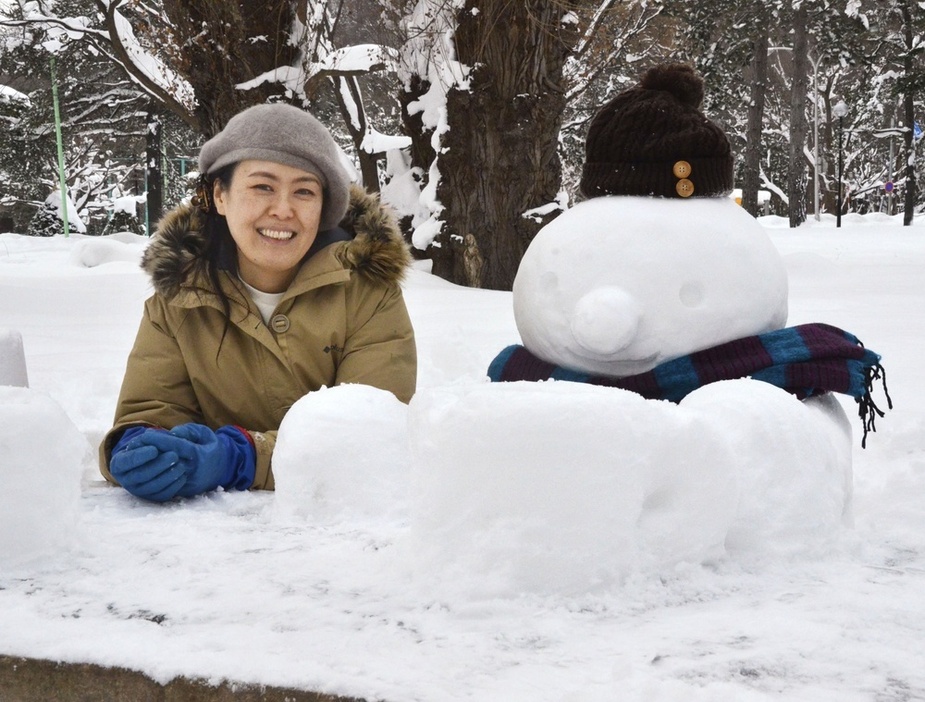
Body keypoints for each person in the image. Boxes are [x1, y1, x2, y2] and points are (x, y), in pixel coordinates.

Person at [99, 103, 417, 502]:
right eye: (263, 186)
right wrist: (138, 445)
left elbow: (368, 434)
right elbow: (151, 409)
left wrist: (239, 458)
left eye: (303, 191)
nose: (283, 210)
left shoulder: (369, 292)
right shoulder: (177, 298)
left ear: (323, 210)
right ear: (220, 195)